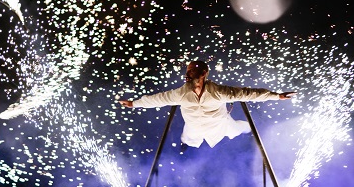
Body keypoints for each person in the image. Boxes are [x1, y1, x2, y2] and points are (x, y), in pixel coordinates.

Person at [119, 60, 296, 149]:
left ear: (203, 73)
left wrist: (276, 96)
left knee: (235, 129)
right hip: (194, 126)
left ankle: (247, 127)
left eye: (192, 70)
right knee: (188, 138)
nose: (188, 72)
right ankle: (186, 146)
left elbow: (249, 93)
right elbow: (158, 99)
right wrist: (134, 103)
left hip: (219, 125)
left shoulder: (219, 92)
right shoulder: (181, 93)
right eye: (188, 70)